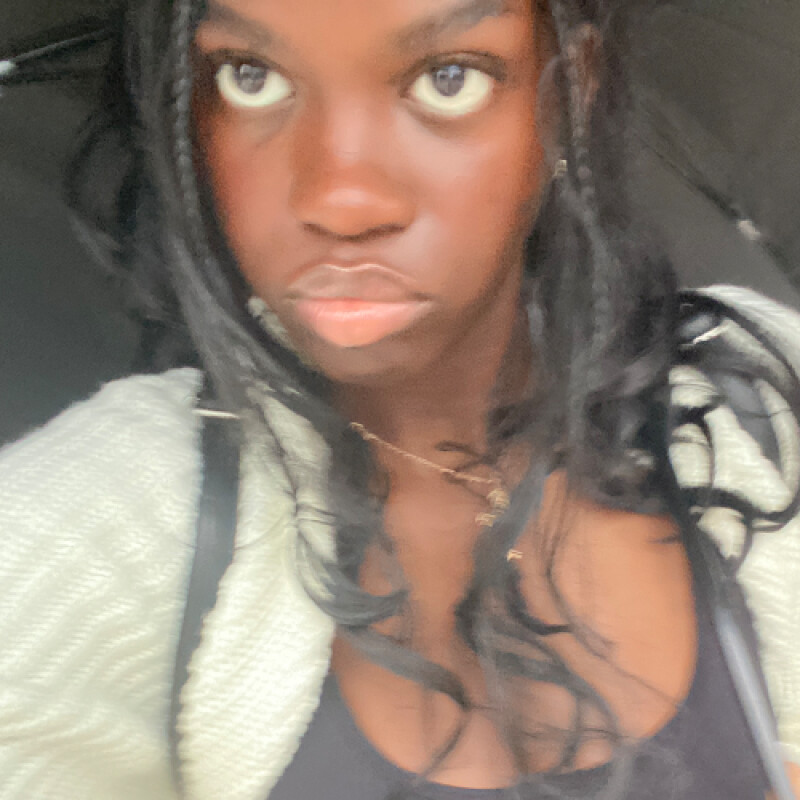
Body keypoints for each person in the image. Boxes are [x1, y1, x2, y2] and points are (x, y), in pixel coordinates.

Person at [2, 0, 800, 798]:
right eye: (252, 77)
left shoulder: (755, 402)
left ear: (569, 95)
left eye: (448, 79)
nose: (340, 200)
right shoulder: (117, 518)